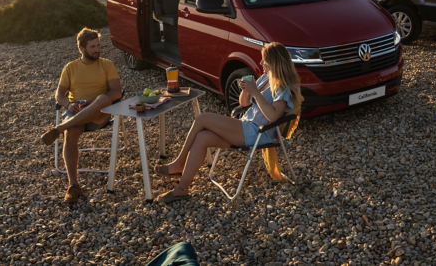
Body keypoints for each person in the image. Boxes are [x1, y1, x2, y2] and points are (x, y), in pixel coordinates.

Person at [154, 42, 302, 203]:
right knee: (202, 137)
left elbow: (273, 116)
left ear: (275, 62)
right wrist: (246, 90)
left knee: (202, 118)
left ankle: (178, 163)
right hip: (244, 126)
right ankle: (182, 188)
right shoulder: (265, 79)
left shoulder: (283, 88)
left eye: (264, 60)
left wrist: (255, 92)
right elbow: (244, 103)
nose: (261, 64)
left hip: (256, 133)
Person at [40, 28, 122, 203]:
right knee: (71, 133)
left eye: (98, 45)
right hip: (74, 111)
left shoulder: (106, 64)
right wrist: (69, 104)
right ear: (82, 49)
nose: (97, 49)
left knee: (101, 99)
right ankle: (73, 185)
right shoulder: (70, 67)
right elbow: (59, 95)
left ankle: (58, 129)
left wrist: (92, 102)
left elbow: (116, 92)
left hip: (99, 113)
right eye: (92, 46)